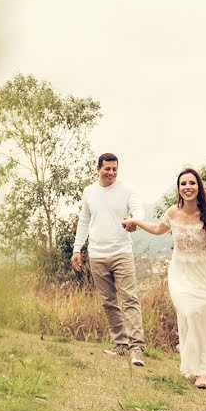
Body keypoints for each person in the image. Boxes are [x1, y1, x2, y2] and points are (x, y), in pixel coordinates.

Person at [123, 168, 206, 388]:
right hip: (181, 274)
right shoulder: (173, 212)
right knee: (191, 313)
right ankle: (201, 370)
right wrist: (136, 221)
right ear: (179, 189)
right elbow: (157, 228)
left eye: (192, 183)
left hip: (205, 274)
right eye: (183, 184)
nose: (187, 187)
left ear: (198, 187)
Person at [71, 153, 146, 366]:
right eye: (107, 169)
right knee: (109, 302)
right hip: (97, 254)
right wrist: (77, 249)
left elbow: (138, 208)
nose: (111, 173)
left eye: (115, 169)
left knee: (130, 299)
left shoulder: (127, 189)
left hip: (121, 251)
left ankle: (137, 348)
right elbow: (84, 220)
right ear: (98, 169)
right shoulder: (89, 192)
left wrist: (135, 220)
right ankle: (121, 344)